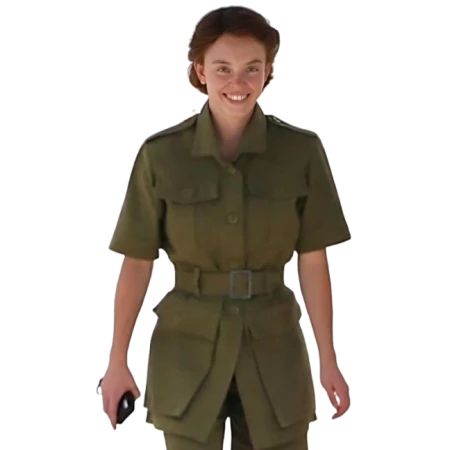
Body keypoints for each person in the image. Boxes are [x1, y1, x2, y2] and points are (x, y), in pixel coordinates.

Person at [100, 5, 352, 450]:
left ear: (268, 71)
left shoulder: (301, 154)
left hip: (274, 355)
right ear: (200, 71)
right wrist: (117, 360)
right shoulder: (162, 157)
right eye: (223, 68)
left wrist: (329, 361)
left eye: (251, 68)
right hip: (188, 358)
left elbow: (313, 263)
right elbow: (137, 263)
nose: (238, 83)